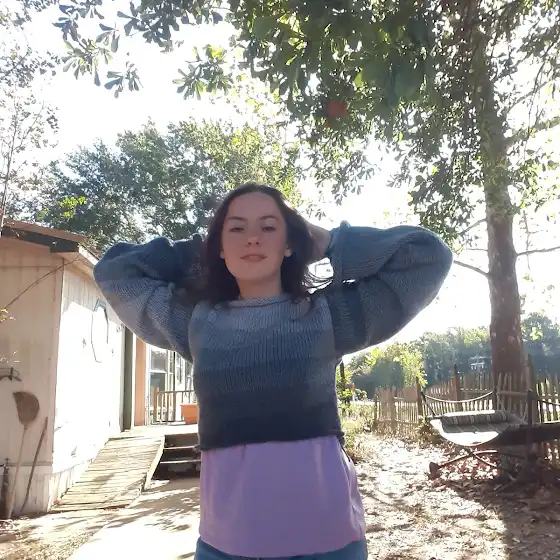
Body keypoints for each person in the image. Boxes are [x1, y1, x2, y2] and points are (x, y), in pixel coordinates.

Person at [93, 182, 453, 560]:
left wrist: (330, 242)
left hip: (328, 542)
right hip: (227, 545)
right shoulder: (195, 323)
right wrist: (203, 251)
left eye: (268, 227)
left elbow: (427, 256)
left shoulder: (329, 316)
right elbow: (116, 271)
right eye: (236, 228)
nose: (252, 238)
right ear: (218, 246)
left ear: (290, 243)